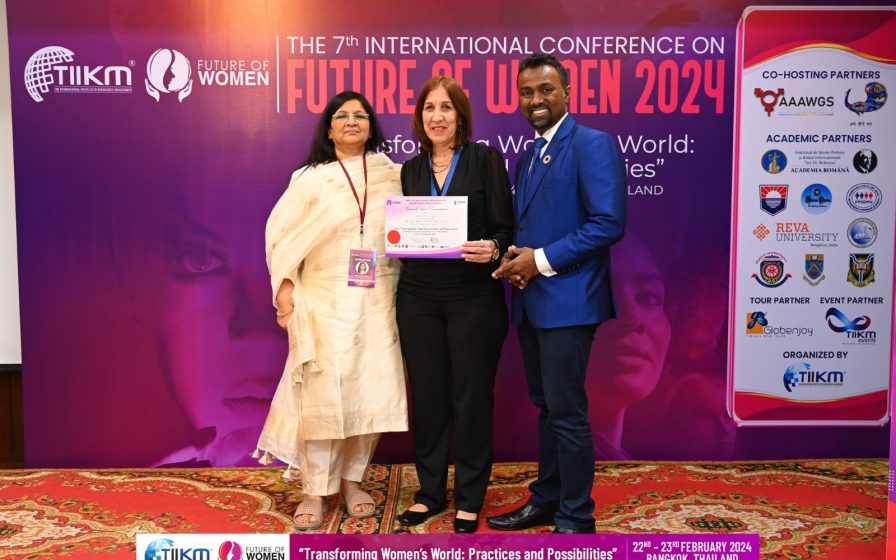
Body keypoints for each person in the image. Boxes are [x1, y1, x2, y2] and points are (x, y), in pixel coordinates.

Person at [253, 91, 408, 530]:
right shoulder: (310, 178)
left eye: (360, 115)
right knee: (322, 398)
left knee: (369, 393)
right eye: (342, 116)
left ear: (372, 126)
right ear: (330, 128)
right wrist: (286, 293)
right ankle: (314, 490)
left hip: (378, 301)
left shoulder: (392, 173)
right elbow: (281, 237)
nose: (352, 121)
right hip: (323, 301)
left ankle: (353, 481)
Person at [488, 53, 626, 534]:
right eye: (526, 92)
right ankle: (547, 500)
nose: (536, 100)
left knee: (566, 413)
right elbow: (535, 227)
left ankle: (575, 517)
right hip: (534, 302)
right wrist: (517, 261)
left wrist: (540, 261)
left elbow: (607, 223)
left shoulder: (591, 144)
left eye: (546, 89)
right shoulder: (529, 155)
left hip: (571, 302)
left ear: (567, 92)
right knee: (548, 408)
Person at [395, 76, 514, 533]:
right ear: (420, 118)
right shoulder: (410, 170)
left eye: (446, 107)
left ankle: (469, 497)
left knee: (471, 399)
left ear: (460, 115)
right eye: (429, 108)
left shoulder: (485, 159)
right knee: (428, 400)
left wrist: (494, 247)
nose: (437, 116)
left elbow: (506, 228)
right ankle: (429, 494)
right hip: (418, 298)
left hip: (474, 298)